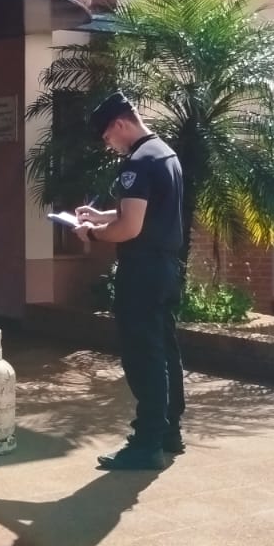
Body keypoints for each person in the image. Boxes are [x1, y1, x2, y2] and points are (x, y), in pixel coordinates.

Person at [74, 92, 187, 471]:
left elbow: (130, 228)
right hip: (166, 268)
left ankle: (146, 443)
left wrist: (92, 233)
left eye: (108, 137)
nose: (109, 145)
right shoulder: (164, 154)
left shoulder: (137, 163)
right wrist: (102, 216)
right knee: (165, 350)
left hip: (142, 272)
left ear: (120, 124)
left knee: (144, 356)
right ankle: (169, 432)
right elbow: (144, 212)